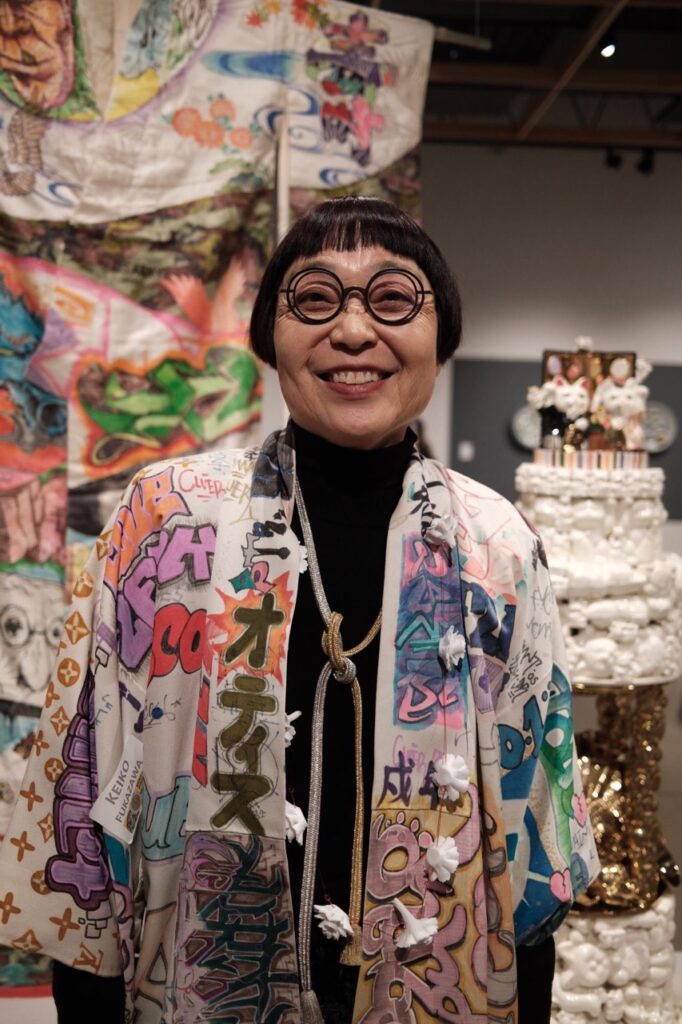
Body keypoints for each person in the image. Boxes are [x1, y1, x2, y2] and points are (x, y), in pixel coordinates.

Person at [0, 197, 598, 1023]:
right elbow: (87, 771)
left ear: (442, 336)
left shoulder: (497, 544)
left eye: (393, 300)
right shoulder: (166, 518)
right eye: (315, 299)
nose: (353, 333)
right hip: (202, 983)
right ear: (268, 337)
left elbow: (537, 819)